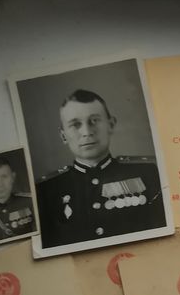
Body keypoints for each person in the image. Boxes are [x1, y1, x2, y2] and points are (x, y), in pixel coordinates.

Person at [36, 89, 166, 248]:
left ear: (111, 125)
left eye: (94, 121)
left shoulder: (148, 173)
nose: (86, 132)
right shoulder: (46, 190)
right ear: (63, 135)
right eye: (75, 124)